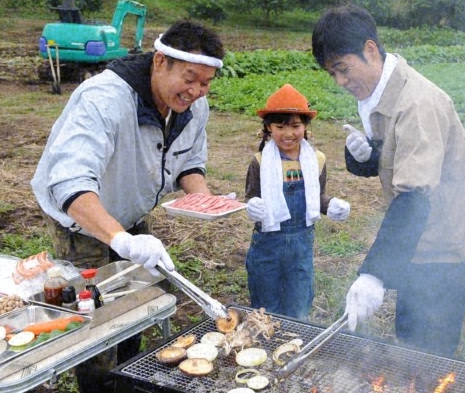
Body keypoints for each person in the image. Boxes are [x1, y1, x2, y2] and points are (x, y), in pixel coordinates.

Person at [31, 19, 225, 392]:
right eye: (189, 78)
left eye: (206, 83)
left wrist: (203, 197)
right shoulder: (104, 99)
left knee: (136, 308)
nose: (196, 91)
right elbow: (70, 182)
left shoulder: (193, 108)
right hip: (82, 221)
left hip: (131, 215)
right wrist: (120, 239)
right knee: (93, 322)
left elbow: (190, 162)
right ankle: (99, 386)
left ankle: (127, 379)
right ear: (159, 61)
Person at [311, 4, 465, 357]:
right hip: (418, 235)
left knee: (429, 348)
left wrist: (374, 273)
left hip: (445, 241)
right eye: (332, 74)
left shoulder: (417, 104)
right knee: (409, 334)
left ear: (370, 50)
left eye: (343, 69)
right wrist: (369, 156)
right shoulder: (381, 91)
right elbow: (397, 156)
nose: (340, 82)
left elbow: (414, 197)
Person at [243, 83, 351, 319]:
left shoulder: (317, 160)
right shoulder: (260, 162)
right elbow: (251, 197)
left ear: (305, 126)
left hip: (302, 244)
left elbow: (318, 197)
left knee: (299, 303)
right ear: (268, 128)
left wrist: (331, 205)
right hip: (267, 243)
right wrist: (252, 206)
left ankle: (297, 339)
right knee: (265, 307)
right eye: (280, 127)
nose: (288, 134)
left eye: (295, 126)